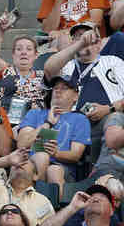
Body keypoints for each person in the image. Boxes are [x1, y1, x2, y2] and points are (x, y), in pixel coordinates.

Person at [44, 22, 124, 162]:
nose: (83, 39)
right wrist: (79, 44)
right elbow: (49, 69)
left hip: (106, 119)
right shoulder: (67, 66)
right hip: (69, 124)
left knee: (113, 120)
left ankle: (104, 172)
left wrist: (108, 109)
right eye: (77, 37)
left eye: (87, 36)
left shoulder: (113, 62)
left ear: (98, 44)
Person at [16, 75, 91, 196]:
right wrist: (48, 123)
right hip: (30, 162)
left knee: (53, 170)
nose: (58, 91)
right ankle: (33, 201)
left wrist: (56, 153)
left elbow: (76, 155)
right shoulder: (35, 114)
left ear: (75, 96)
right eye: (55, 88)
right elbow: (22, 144)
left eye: (64, 88)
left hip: (62, 168)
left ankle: (53, 210)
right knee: (42, 156)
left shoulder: (80, 119)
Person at [0, 11, 47, 116]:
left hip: (31, 126)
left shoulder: (43, 77)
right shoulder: (5, 71)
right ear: (13, 54)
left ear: (36, 55)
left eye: (29, 49)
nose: (24, 52)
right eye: (19, 49)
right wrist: (0, 32)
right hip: (2, 123)